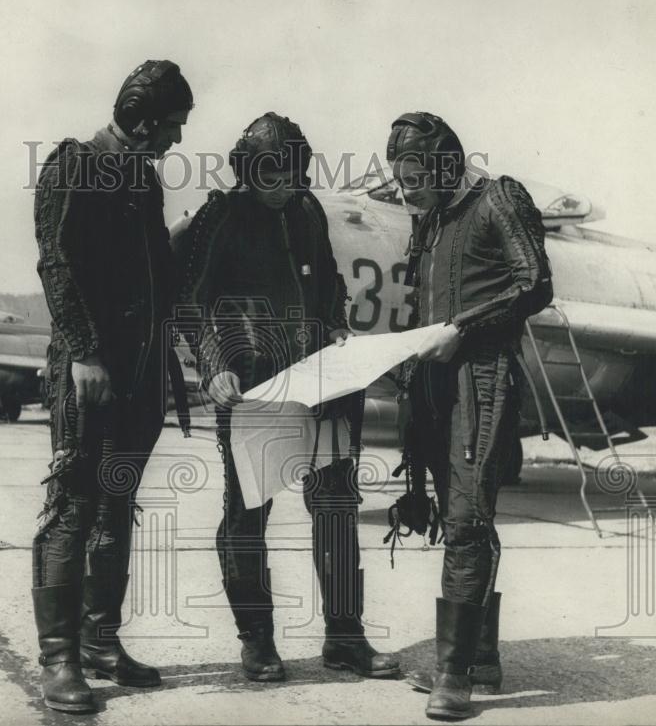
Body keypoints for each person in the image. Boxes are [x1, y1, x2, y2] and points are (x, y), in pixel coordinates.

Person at [177, 112, 400, 683]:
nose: (285, 187)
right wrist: (215, 366)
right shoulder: (219, 217)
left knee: (335, 510)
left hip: (319, 388)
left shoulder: (306, 211)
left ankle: (345, 638)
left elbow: (328, 284)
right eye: (273, 176)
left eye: (295, 175)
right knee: (247, 516)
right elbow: (192, 301)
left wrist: (335, 329)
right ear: (248, 172)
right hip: (253, 392)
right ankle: (257, 642)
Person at [31, 60, 192, 713]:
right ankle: (60, 658)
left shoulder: (143, 180)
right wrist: (86, 354)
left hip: (139, 373)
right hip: (89, 370)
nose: (178, 140)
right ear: (145, 119)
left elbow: (155, 269)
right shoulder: (75, 162)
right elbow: (57, 263)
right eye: (174, 126)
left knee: (116, 506)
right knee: (72, 508)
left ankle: (101, 642)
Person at [386, 112, 553, 720]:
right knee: (458, 517)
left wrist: (462, 328)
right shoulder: (428, 221)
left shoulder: (497, 199)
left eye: (413, 179)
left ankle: (452, 675)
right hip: (431, 385)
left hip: (481, 380)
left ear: (445, 164)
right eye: (399, 181)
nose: (405, 191)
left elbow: (535, 284)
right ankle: (479, 658)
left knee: (466, 518)